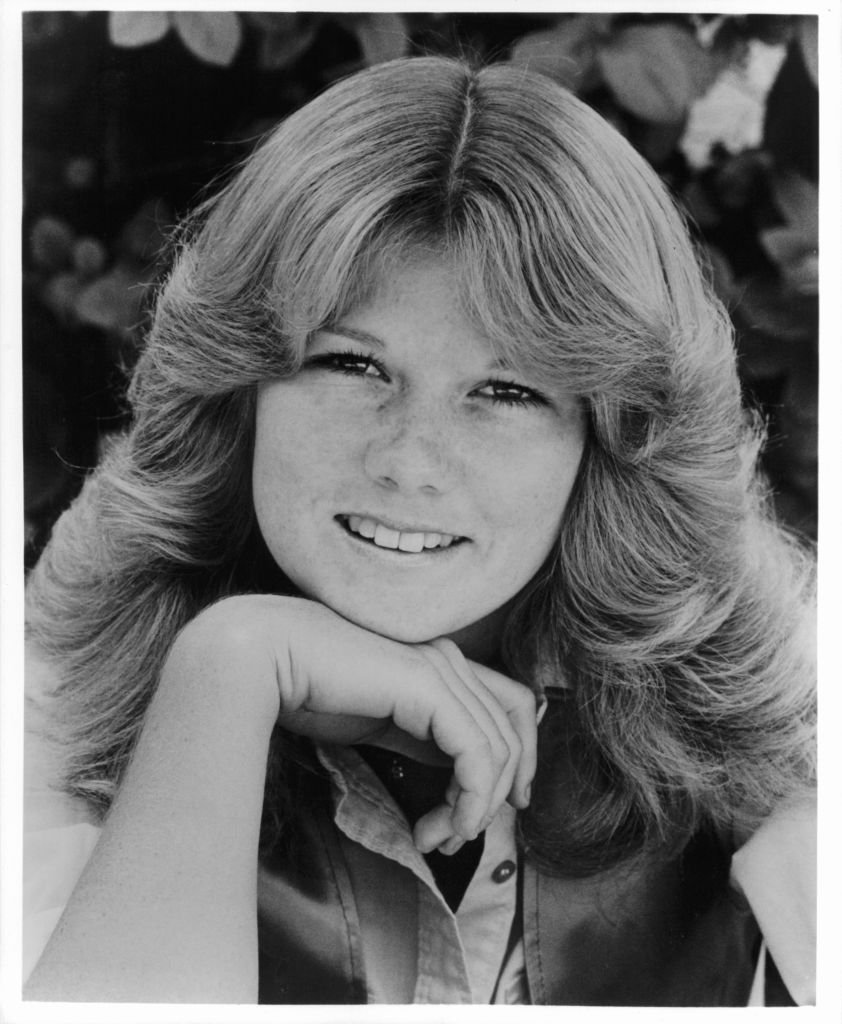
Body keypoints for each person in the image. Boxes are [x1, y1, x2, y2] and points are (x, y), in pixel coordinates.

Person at [22, 56, 816, 1006]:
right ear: (241, 385)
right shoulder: (52, 700)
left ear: (611, 438)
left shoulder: (777, 708)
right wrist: (228, 668)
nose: (410, 460)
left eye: (507, 390)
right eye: (353, 365)